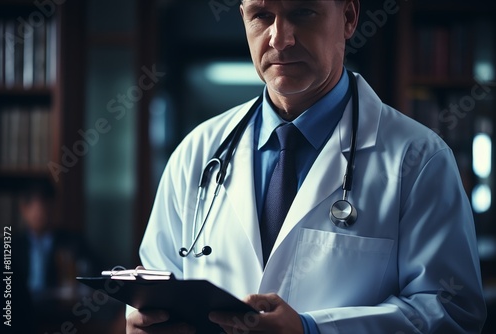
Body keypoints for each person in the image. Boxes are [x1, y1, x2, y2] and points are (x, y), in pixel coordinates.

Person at [127, 0, 487, 333]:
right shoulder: (197, 151)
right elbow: (161, 283)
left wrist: (312, 329)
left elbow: (451, 313)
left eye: (302, 12)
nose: (280, 39)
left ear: (348, 18)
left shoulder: (419, 159)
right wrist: (149, 321)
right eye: (262, 16)